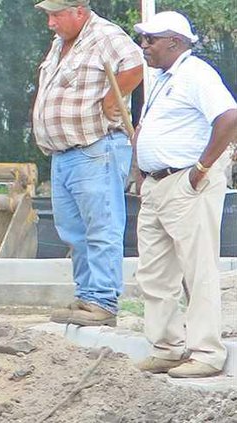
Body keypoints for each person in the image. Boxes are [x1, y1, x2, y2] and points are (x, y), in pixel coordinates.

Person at [132, 12, 237, 378]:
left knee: (197, 269)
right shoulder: (163, 79)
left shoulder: (197, 75)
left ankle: (207, 352)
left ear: (174, 42)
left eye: (151, 39)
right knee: (154, 273)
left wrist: (201, 170)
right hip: (159, 184)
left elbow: (228, 117)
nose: (144, 45)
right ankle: (166, 347)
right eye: (143, 39)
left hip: (185, 183)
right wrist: (142, 173)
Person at [32, 0, 143, 326]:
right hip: (64, 154)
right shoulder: (60, 44)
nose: (50, 22)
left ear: (79, 11)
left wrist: (112, 97)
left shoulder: (104, 34)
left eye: (56, 15)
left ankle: (103, 300)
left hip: (95, 148)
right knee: (73, 231)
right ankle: (87, 297)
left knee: (101, 227)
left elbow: (135, 65)